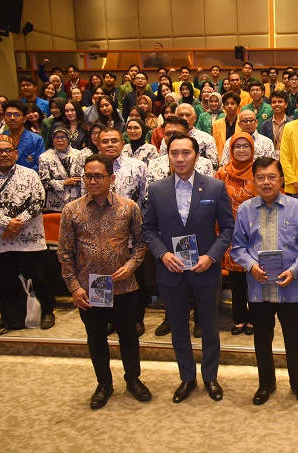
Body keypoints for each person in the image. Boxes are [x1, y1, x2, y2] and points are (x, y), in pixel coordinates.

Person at [142, 133, 234, 403]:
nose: (180, 158)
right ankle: (187, 378)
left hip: (205, 269)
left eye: (186, 153)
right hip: (171, 270)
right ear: (167, 156)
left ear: (197, 155)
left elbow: (227, 228)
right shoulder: (156, 189)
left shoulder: (215, 187)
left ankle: (210, 377)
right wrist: (162, 254)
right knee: (179, 328)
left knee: (209, 325)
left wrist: (213, 256)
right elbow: (148, 229)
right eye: (174, 153)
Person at [58, 153, 151, 409]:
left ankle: (133, 379)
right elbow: (64, 253)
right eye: (88, 176)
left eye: (99, 176)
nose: (93, 181)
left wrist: (130, 267)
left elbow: (141, 244)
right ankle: (104, 384)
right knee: (96, 338)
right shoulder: (71, 210)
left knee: (128, 336)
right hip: (89, 289)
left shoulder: (128, 207)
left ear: (112, 178)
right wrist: (74, 288)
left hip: (123, 286)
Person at [231, 157, 298, 406]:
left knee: (295, 337)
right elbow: (238, 247)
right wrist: (251, 265)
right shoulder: (245, 209)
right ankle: (265, 383)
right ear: (253, 181)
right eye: (260, 177)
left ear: (281, 180)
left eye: (271, 177)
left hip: (289, 286)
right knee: (261, 338)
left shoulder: (297, 208)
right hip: (259, 287)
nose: (266, 182)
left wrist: (295, 270)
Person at [0, 135, 57, 333]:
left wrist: (16, 224)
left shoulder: (29, 175)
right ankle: (10, 314)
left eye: (8, 150)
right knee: (4, 280)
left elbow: (37, 202)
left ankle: (47, 311)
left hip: (29, 238)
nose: (4, 154)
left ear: (16, 153)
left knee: (39, 276)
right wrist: (5, 224)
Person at [215, 132, 258, 337]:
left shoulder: (260, 171)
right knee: (237, 281)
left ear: (252, 149)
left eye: (246, 146)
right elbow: (215, 204)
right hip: (231, 234)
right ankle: (240, 318)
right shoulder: (222, 173)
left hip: (257, 235)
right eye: (237, 147)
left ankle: (256, 318)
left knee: (255, 277)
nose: (241, 150)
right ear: (230, 150)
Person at [159, 103, 219, 171]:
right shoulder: (167, 139)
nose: (184, 118)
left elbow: (214, 165)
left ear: (195, 118)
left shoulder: (207, 139)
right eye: (181, 115)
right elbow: (162, 162)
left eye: (188, 115)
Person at [38, 127, 84, 212]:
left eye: (63, 137)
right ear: (52, 140)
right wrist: (64, 183)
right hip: (55, 203)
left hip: (77, 202)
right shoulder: (44, 157)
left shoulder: (79, 155)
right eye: (56, 137)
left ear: (68, 139)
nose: (60, 140)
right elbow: (43, 182)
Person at [2, 100, 45, 172]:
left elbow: (40, 165)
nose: (12, 118)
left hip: (29, 179)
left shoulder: (36, 139)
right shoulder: (0, 139)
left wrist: (20, 176)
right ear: (4, 118)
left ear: (24, 119)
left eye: (17, 115)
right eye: (8, 115)